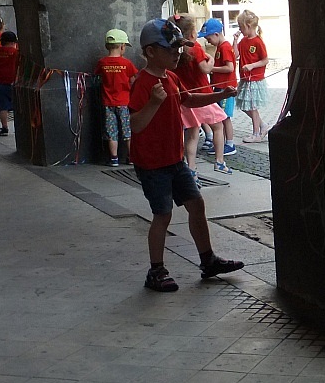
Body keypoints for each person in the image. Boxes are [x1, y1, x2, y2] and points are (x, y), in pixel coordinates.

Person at [129, 18, 243, 292]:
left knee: (196, 205)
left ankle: (208, 260)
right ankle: (156, 270)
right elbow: (136, 125)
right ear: (151, 51)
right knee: (162, 214)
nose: (177, 53)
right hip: (152, 164)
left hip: (175, 160)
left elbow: (188, 99)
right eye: (171, 49)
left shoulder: (171, 78)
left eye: (179, 48)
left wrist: (218, 96)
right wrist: (154, 102)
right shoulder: (143, 83)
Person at [173, 16, 231, 178]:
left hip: (186, 98)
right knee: (218, 126)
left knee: (192, 133)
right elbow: (205, 69)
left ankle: (191, 168)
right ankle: (219, 161)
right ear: (192, 34)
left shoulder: (175, 50)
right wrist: (211, 59)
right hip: (204, 96)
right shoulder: (195, 48)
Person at [95, 29, 139, 166]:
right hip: (124, 102)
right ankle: (131, 157)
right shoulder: (127, 64)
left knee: (111, 131)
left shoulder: (102, 63)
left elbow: (97, 77)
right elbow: (133, 80)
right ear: (122, 46)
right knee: (127, 131)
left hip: (108, 103)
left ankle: (114, 158)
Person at [198, 18, 238, 156]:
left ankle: (230, 144)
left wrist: (211, 69)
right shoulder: (221, 47)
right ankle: (223, 143)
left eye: (208, 38)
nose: (208, 41)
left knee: (224, 117)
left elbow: (229, 68)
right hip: (220, 87)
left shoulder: (225, 47)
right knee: (221, 116)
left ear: (216, 34)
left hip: (226, 88)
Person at [234, 10, 269, 143]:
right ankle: (263, 125)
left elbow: (265, 60)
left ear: (248, 26)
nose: (240, 29)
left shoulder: (258, 42)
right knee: (244, 105)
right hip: (245, 78)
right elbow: (235, 55)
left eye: (241, 27)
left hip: (254, 79)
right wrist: (235, 41)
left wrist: (252, 66)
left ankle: (256, 134)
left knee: (253, 107)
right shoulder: (243, 41)